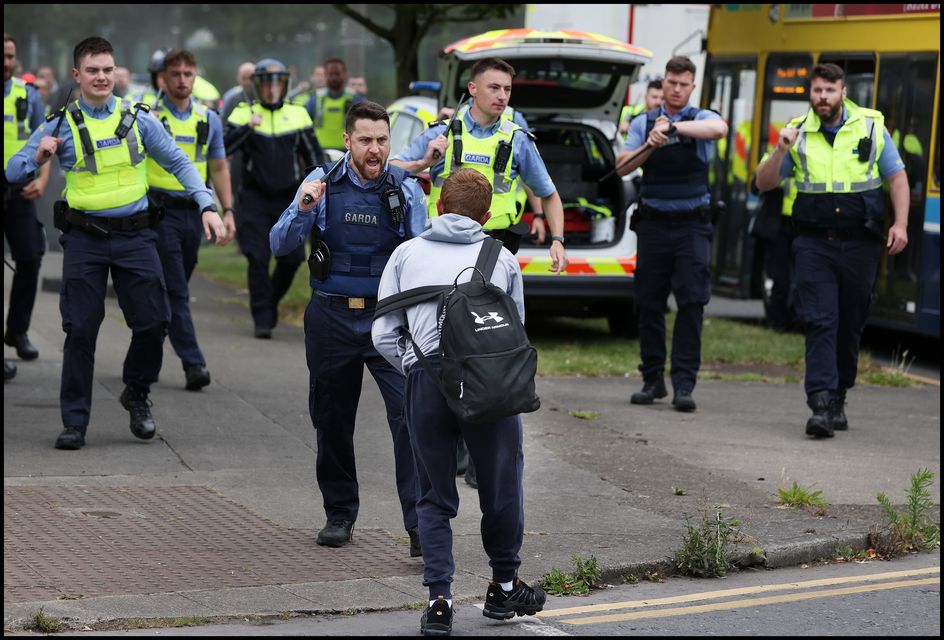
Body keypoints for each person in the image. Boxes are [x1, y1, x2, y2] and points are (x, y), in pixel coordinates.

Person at [5, 36, 227, 450]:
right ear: (77, 75)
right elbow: (12, 168)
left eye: (107, 69)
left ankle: (136, 393)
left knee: (154, 322)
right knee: (81, 329)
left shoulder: (138, 118)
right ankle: (75, 422)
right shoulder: (59, 122)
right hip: (85, 240)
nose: (102, 77)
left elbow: (178, 161)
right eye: (93, 70)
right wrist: (37, 158)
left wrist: (207, 204)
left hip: (136, 236)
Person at [372, 169, 546, 637]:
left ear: (438, 206)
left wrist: (415, 365)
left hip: (427, 384)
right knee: (501, 488)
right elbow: (515, 331)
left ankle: (440, 602)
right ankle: (504, 586)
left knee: (433, 495)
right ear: (487, 216)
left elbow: (383, 333)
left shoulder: (405, 254)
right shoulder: (502, 258)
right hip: (489, 388)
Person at [269, 100, 424, 555]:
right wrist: (303, 209)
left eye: (382, 140)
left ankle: (419, 526)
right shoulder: (322, 184)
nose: (374, 150)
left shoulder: (406, 189)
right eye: (365, 141)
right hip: (332, 316)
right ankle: (339, 514)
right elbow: (279, 245)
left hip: (389, 321)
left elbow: (422, 255)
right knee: (332, 419)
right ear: (347, 141)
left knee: (411, 419)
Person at [755, 62, 909, 439]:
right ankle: (820, 403)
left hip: (860, 243)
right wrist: (779, 151)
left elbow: (897, 177)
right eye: (817, 91)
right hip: (813, 244)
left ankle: (839, 394)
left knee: (850, 321)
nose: (822, 97)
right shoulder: (797, 132)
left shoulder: (871, 125)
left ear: (843, 91)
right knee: (820, 320)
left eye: (829, 90)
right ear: (811, 93)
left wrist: (901, 223)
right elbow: (764, 183)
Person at [616, 56, 728, 413]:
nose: (677, 89)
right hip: (654, 225)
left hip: (692, 226)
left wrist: (676, 130)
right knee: (649, 303)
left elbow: (719, 130)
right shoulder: (643, 122)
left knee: (692, 303)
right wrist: (650, 143)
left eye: (683, 84)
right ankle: (652, 380)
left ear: (692, 87)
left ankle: (684, 384)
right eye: (671, 83)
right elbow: (621, 167)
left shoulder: (701, 118)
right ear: (662, 83)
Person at [391, 57, 568, 267]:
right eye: (494, 88)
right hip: (441, 246)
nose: (502, 96)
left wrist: (557, 240)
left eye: (507, 89)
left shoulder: (517, 139)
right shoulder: (441, 132)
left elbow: (548, 193)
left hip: (494, 248)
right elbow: (391, 170)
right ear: (473, 88)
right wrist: (423, 162)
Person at [148, 49, 236, 391]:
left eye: (188, 74)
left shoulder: (207, 118)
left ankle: (144, 353)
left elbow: (218, 167)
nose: (183, 80)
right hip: (158, 211)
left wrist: (227, 210)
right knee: (177, 290)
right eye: (176, 74)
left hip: (193, 213)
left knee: (169, 290)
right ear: (164, 78)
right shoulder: (150, 116)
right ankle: (193, 362)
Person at [225, 58, 324, 339]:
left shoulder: (298, 114)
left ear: (284, 85)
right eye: (266, 83)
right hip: (254, 197)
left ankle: (269, 303)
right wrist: (247, 128)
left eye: (276, 83)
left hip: (288, 197)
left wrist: (317, 187)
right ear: (256, 85)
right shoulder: (244, 112)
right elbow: (223, 147)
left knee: (292, 259)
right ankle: (263, 318)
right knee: (257, 257)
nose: (271, 89)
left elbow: (314, 156)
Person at [4, 33, 50, 363]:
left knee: (31, 257)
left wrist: (43, 178)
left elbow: (47, 138)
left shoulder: (29, 95)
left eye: (9, 56)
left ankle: (17, 330)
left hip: (19, 187)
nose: (5, 62)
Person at [306, 57, 363, 152]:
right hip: (320, 153)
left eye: (337, 74)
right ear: (325, 75)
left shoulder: (355, 99)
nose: (334, 77)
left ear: (344, 75)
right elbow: (304, 127)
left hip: (348, 153)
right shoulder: (314, 99)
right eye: (330, 74)